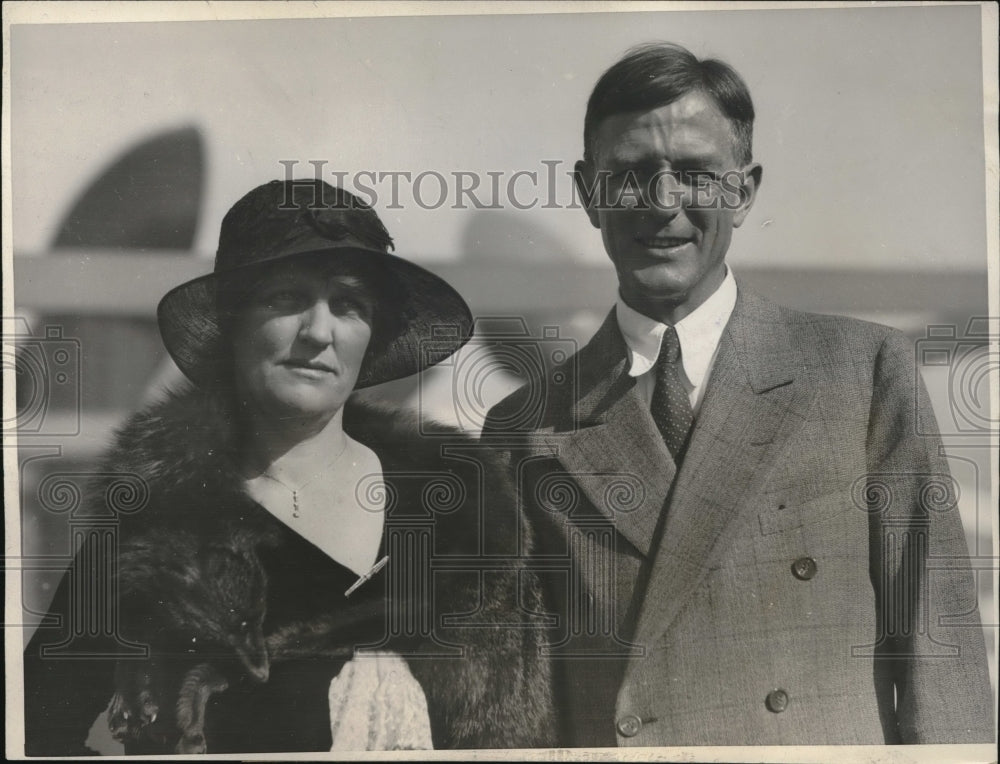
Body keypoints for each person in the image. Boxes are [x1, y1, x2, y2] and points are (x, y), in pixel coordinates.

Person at [483, 42, 994, 747]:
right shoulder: (525, 424)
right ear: (588, 193)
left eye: (694, 174)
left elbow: (942, 654)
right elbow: (521, 698)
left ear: (744, 192)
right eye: (630, 175)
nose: (663, 205)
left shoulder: (863, 370)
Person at [23, 179, 555, 755]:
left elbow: (510, 740)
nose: (318, 332)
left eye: (349, 305)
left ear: (372, 336)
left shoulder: (464, 513)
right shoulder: (161, 524)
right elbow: (31, 727)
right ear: (233, 322)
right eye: (284, 298)